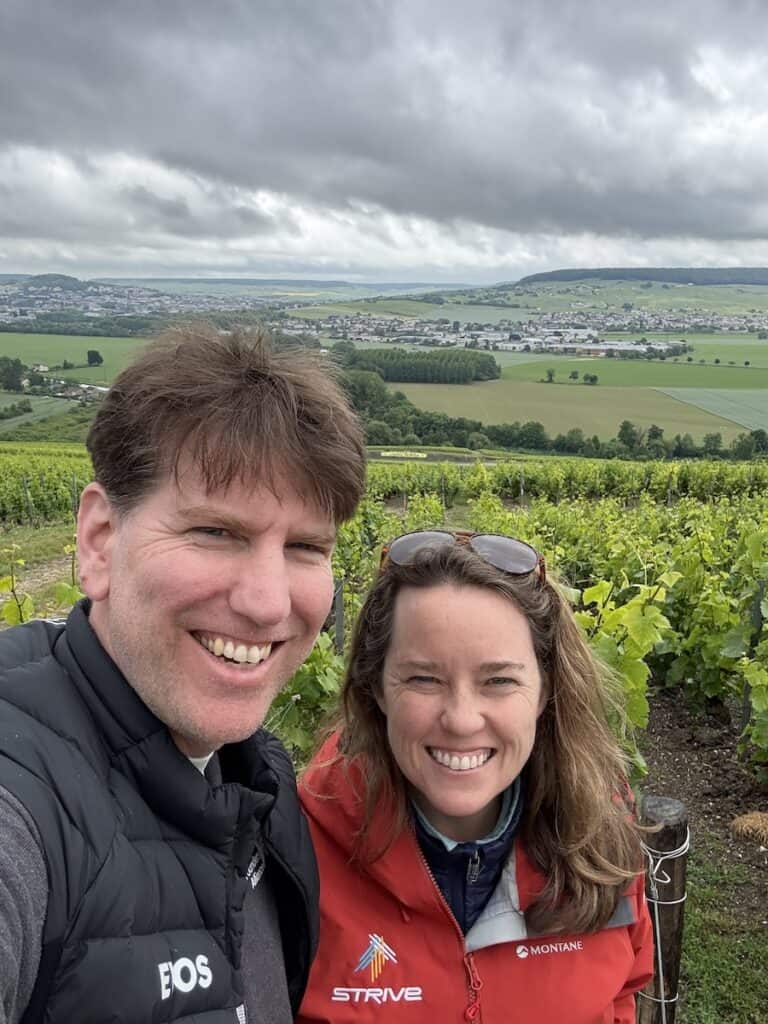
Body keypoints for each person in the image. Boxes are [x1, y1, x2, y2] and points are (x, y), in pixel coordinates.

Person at [0, 325, 366, 1024]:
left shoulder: (257, 781)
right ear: (100, 541)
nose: (267, 602)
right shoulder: (21, 802)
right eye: (215, 532)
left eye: (305, 546)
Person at [297, 530, 654, 1023]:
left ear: (545, 690)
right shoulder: (297, 851)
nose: (462, 720)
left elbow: (623, 988)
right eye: (424, 679)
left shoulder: (599, 832)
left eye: (499, 681)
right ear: (376, 688)